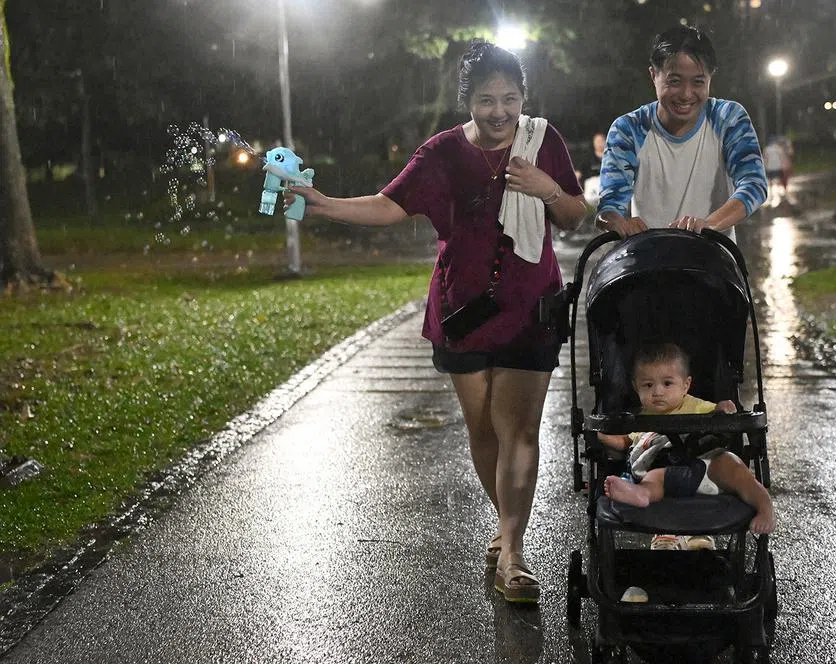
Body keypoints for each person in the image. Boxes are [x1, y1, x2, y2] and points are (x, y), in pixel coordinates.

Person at [285, 40, 587, 604]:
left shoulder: (542, 141)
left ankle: (514, 555)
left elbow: (572, 215)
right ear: (466, 100)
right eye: (485, 100)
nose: (499, 112)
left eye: (510, 98)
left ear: (524, 97)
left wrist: (544, 188)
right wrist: (322, 203)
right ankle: (506, 527)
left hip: (530, 308)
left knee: (519, 429)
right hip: (463, 311)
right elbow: (388, 204)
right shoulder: (442, 153)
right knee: (483, 431)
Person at [595, 25, 769, 239]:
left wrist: (707, 225)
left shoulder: (728, 118)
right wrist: (617, 222)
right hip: (648, 263)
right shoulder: (628, 129)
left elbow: (754, 184)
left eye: (698, 82)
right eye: (674, 81)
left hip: (713, 262)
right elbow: (609, 205)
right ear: (653, 75)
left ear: (710, 78)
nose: (686, 94)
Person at [599, 343, 776, 539]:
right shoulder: (639, 418)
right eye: (648, 385)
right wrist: (601, 434)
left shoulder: (694, 405)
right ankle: (642, 494)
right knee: (655, 477)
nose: (657, 392)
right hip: (665, 472)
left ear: (685, 385)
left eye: (667, 384)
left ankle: (764, 504)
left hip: (704, 468)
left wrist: (724, 408)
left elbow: (717, 412)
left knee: (732, 464)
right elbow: (625, 442)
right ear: (635, 387)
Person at [762, 135, 791, 199]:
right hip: (778, 167)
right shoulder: (779, 149)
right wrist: (784, 166)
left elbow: (765, 158)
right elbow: (782, 158)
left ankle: (772, 194)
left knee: (770, 181)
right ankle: (779, 193)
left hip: (770, 167)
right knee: (779, 180)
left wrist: (764, 166)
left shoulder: (766, 149)